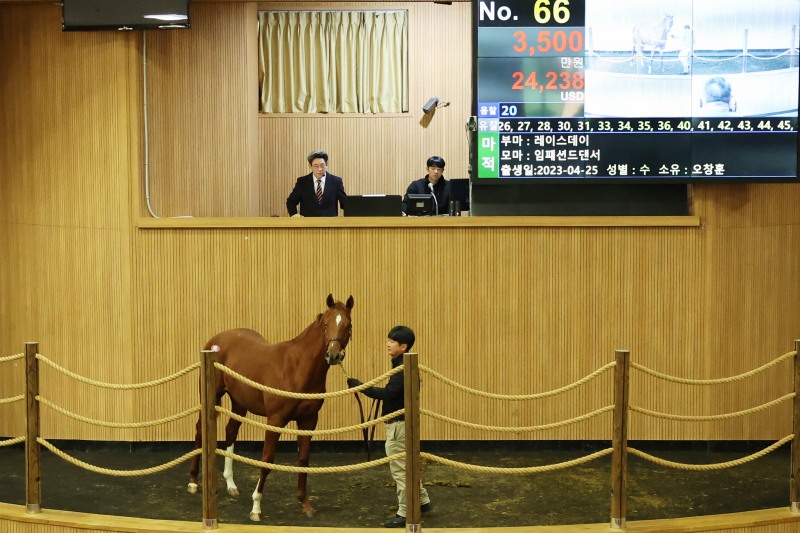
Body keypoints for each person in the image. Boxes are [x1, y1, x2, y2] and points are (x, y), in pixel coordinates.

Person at [346, 326, 432, 528]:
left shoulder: (402, 369)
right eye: (388, 340)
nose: (388, 343)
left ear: (403, 346)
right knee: (407, 465)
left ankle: (405, 512)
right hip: (401, 424)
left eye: (392, 341)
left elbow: (387, 394)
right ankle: (423, 501)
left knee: (400, 470)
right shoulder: (401, 365)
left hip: (399, 427)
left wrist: (362, 387)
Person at [286, 150, 347, 217]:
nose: (320, 169)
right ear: (310, 166)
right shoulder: (302, 182)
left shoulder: (336, 182)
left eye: (322, 165)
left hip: (330, 224)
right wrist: (294, 214)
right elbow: (291, 202)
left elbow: (344, 203)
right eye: (316, 166)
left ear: (326, 165)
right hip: (308, 224)